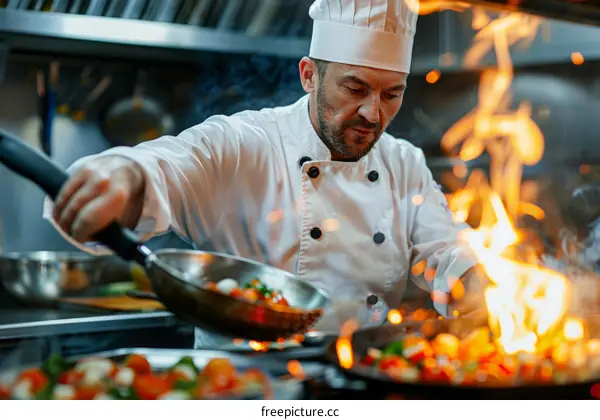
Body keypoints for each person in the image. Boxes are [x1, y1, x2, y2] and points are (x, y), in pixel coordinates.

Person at [43, 0, 487, 347]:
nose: (374, 113)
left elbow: (442, 247)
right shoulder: (245, 143)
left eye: (393, 94)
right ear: (309, 76)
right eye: (355, 88)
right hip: (245, 388)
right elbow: (170, 164)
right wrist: (123, 173)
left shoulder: (403, 161)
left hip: (361, 377)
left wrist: (472, 282)